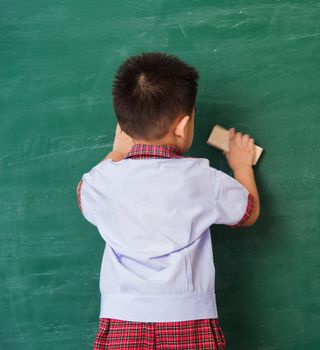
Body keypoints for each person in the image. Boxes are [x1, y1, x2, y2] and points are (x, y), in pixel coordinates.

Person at [76, 52, 260, 349]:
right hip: (189, 320)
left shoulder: (104, 181)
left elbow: (83, 194)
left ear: (123, 126)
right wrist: (241, 165)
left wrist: (116, 154)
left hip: (122, 320)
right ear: (183, 126)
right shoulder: (201, 178)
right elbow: (247, 212)